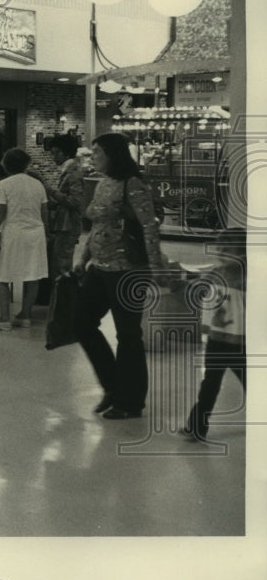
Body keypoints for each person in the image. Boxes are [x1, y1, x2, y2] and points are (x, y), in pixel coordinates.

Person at [74, 132, 166, 420]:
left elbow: (149, 227)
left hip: (127, 269)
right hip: (99, 267)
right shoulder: (103, 183)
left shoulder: (133, 184)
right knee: (80, 322)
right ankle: (113, 385)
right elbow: (97, 226)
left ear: (114, 154)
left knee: (128, 335)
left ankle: (130, 401)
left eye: (98, 152)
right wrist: (84, 258)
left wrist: (155, 268)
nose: (93, 157)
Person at [182, 229, 246, 442]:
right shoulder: (216, 273)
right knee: (210, 383)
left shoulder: (252, 277)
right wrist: (180, 282)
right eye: (220, 248)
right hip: (217, 340)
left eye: (228, 249)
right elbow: (196, 288)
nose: (222, 252)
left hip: (241, 344)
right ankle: (197, 427)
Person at [0, 148, 49, 330]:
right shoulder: (38, 184)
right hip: (36, 234)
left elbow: (0, 214)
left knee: (3, 276)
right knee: (32, 275)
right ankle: (25, 315)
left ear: (6, 164)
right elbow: (44, 212)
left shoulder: (4, 184)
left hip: (15, 233)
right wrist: (47, 233)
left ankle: (4, 319)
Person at [42, 133, 86, 275]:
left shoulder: (73, 173)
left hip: (68, 225)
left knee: (61, 265)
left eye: (56, 153)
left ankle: (63, 296)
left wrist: (51, 191)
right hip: (64, 224)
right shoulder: (68, 171)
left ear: (66, 153)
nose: (54, 157)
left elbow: (75, 201)